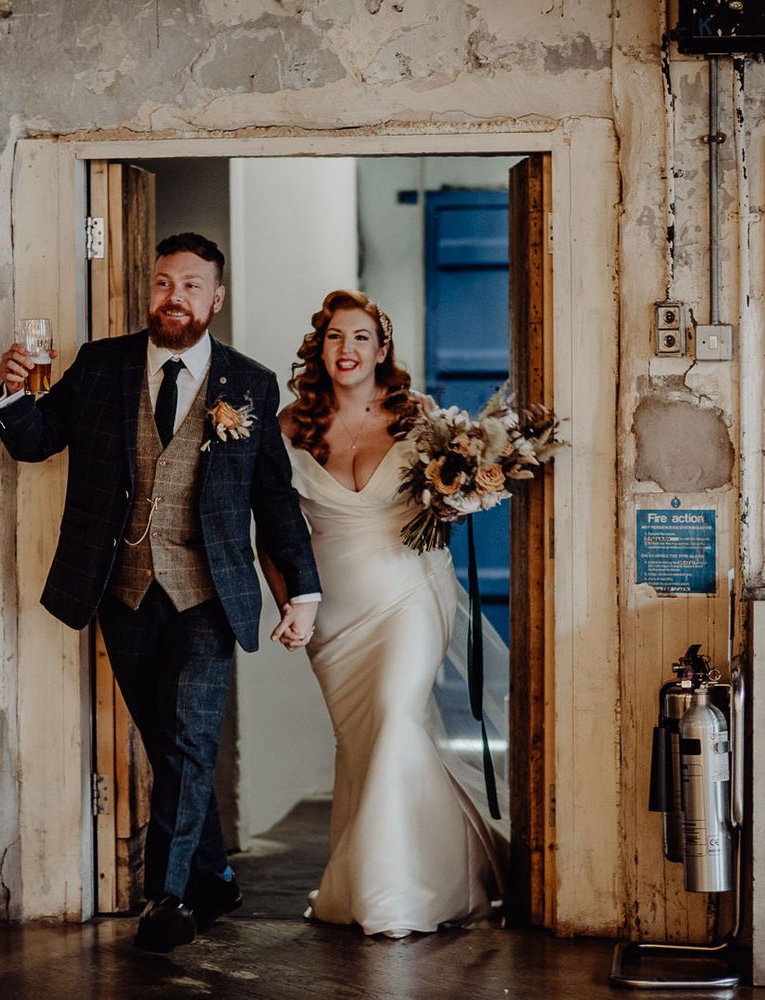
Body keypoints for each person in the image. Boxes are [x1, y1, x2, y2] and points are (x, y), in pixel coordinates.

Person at [0, 232, 320, 953]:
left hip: (209, 593)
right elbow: (35, 442)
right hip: (122, 588)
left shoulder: (251, 385)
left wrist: (303, 592)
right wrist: (15, 391)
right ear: (152, 291)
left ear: (216, 298)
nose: (176, 297)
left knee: (190, 740)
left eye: (192, 285)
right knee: (170, 747)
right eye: (165, 283)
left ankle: (166, 898)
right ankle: (216, 879)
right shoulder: (102, 364)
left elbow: (275, 496)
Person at [263, 290, 503, 939]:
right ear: (319, 349)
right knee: (367, 742)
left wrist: (458, 505)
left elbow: (448, 501)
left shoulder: (419, 418)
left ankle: (398, 894)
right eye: (335, 337)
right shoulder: (287, 428)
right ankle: (419, 869)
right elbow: (272, 529)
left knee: (396, 717)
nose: (348, 350)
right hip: (331, 613)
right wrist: (291, 603)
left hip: (409, 597)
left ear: (383, 349)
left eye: (361, 337)